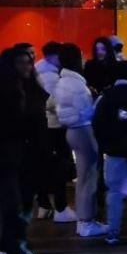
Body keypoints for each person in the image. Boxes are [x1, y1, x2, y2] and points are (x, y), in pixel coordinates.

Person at [53, 43, 109, 238]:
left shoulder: (63, 81)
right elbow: (84, 112)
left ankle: (84, 221)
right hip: (83, 131)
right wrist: (99, 101)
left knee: (83, 177)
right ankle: (87, 221)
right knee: (88, 177)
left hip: (72, 131)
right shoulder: (76, 84)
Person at [0, 47, 47, 254]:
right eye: (21, 62)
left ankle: (11, 247)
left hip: (29, 154)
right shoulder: (9, 91)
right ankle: (19, 249)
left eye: (29, 61)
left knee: (24, 201)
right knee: (16, 203)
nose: (27, 66)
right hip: (10, 154)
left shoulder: (32, 89)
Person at [92, 61, 127, 245]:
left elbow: (96, 122)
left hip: (114, 152)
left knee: (114, 192)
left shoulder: (107, 96)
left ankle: (112, 232)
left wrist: (105, 144)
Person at [35, 42, 74, 222]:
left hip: (42, 126)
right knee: (59, 166)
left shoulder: (37, 72)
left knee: (43, 166)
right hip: (55, 126)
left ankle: (44, 206)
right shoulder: (51, 76)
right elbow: (52, 102)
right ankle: (60, 207)